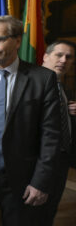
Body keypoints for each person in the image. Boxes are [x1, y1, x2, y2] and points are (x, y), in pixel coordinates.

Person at [0, 15, 61, 226]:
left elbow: (51, 135)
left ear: (17, 41)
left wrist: (40, 182)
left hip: (22, 174)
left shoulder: (42, 79)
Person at [41, 40, 76, 226]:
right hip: (38, 163)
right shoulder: (31, 84)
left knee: (50, 210)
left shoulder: (64, 88)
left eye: (69, 57)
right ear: (46, 56)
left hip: (61, 161)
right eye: (59, 55)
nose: (64, 60)